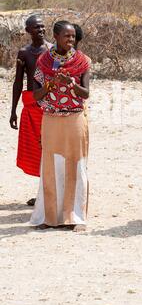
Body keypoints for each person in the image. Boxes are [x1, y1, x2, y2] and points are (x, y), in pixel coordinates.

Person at [30, 21, 91, 232]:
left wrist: (71, 83)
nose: (71, 40)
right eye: (67, 36)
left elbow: (86, 94)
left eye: (73, 36)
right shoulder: (43, 61)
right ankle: (50, 217)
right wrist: (49, 85)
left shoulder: (82, 61)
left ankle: (75, 217)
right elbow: (36, 95)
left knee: (76, 165)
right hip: (51, 119)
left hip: (74, 119)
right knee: (50, 167)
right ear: (55, 36)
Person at [9, 15, 51, 206]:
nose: (41, 30)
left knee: (51, 148)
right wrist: (13, 110)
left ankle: (50, 193)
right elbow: (18, 82)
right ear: (28, 31)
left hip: (51, 105)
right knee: (36, 149)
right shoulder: (24, 53)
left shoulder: (53, 50)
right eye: (36, 28)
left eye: (43, 27)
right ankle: (43, 192)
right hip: (31, 106)